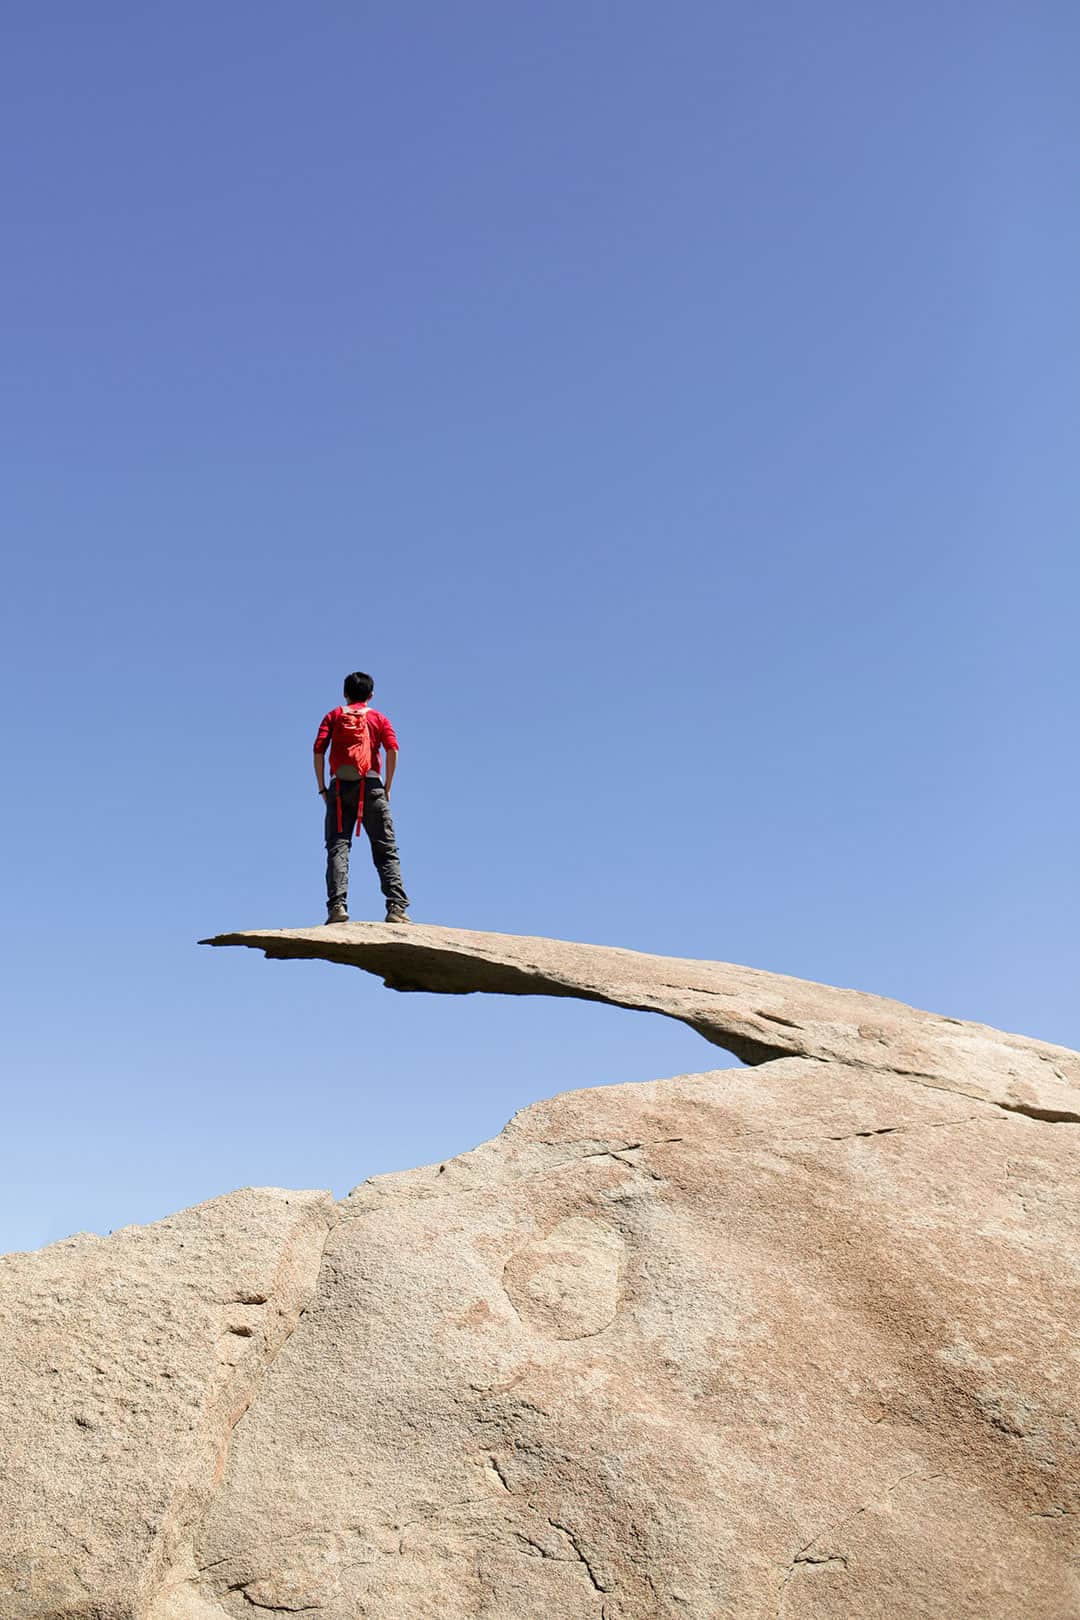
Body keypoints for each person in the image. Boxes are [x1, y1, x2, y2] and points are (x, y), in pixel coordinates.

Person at [313, 672, 411, 925]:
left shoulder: (334, 715)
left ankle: (337, 907)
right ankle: (396, 908)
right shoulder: (378, 718)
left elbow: (318, 750)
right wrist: (387, 786)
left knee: (338, 846)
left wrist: (323, 788)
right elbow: (392, 749)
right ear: (371, 695)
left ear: (345, 693)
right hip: (372, 785)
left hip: (338, 788)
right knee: (386, 849)